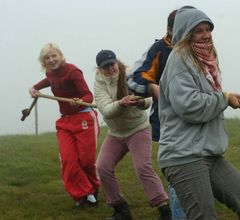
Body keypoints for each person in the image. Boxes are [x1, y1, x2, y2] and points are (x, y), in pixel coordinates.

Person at [158, 6, 240, 220]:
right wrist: (223, 98)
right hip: (183, 156)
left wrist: (224, 98)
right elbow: (189, 106)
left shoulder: (204, 63)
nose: (206, 35)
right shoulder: (178, 61)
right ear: (186, 33)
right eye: (198, 30)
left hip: (209, 152)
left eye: (208, 29)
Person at [93, 50, 171, 220]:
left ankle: (164, 209)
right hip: (115, 133)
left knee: (143, 167)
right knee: (102, 167)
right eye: (105, 67)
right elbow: (106, 111)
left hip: (138, 129)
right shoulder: (99, 84)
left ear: (117, 62)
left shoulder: (130, 75)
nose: (110, 69)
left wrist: (141, 101)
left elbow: (149, 98)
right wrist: (120, 104)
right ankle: (121, 210)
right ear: (99, 69)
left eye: (112, 64)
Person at [126, 9, 187, 220]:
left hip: (200, 122)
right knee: (178, 175)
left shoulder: (202, 46)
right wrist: (152, 87)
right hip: (169, 123)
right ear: (170, 29)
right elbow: (134, 79)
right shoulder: (159, 48)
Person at [29, 43, 100, 207]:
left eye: (54, 55)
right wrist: (34, 88)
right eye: (47, 58)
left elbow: (88, 95)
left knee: (86, 161)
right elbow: (50, 79)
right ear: (44, 62)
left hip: (84, 118)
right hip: (65, 121)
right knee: (68, 160)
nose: (51, 60)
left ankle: (93, 189)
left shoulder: (73, 71)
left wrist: (81, 101)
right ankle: (83, 195)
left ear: (60, 56)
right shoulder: (50, 73)